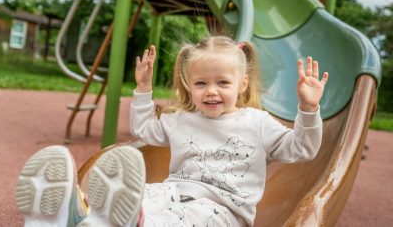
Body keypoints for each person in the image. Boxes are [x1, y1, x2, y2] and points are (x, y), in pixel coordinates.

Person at [16, 35, 328, 227]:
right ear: (188, 85)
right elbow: (143, 129)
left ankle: (123, 222)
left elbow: (302, 149)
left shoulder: (256, 122)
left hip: (223, 212)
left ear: (242, 84)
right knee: (141, 196)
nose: (211, 91)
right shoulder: (182, 118)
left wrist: (309, 109)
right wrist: (142, 89)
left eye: (222, 82)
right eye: (201, 83)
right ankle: (67, 215)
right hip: (172, 191)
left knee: (171, 221)